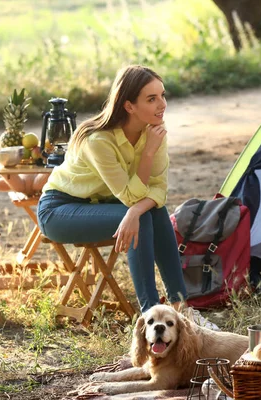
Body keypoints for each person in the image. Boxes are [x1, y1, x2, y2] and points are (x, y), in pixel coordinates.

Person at [37, 65, 188, 315]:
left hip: (107, 204)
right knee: (142, 216)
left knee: (154, 213)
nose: (162, 104)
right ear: (129, 106)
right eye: (151, 99)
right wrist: (148, 153)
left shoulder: (154, 131)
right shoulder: (98, 141)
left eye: (162, 95)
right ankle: (150, 317)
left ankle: (182, 309)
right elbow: (132, 197)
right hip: (59, 210)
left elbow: (159, 190)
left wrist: (133, 211)